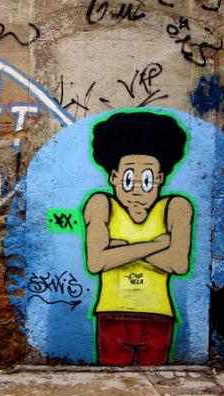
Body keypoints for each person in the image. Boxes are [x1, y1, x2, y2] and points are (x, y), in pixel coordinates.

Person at [83, 110, 193, 366]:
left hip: (158, 314)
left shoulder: (176, 206)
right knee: (113, 381)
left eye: (146, 180)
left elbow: (179, 264)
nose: (136, 191)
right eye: (128, 178)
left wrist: (119, 250)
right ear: (114, 177)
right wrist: (157, 245)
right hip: (111, 312)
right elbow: (96, 262)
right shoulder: (101, 204)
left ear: (160, 179)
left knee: (156, 378)